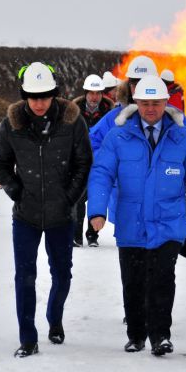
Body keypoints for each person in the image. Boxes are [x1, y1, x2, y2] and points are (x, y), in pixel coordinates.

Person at [87, 75, 186, 356]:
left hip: (169, 222)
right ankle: (136, 335)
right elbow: (101, 174)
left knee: (162, 279)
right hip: (131, 221)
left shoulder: (182, 136)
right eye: (145, 103)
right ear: (136, 102)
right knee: (132, 280)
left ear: (166, 102)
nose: (151, 109)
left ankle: (160, 336)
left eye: (156, 103)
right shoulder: (118, 135)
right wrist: (96, 210)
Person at [0, 62, 92, 358]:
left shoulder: (72, 122)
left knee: (62, 274)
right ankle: (28, 338)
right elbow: (1, 164)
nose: (39, 103)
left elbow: (84, 163)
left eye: (45, 96)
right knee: (24, 276)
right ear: (25, 96)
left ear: (54, 94)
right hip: (26, 215)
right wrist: (17, 192)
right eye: (33, 97)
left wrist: (69, 198)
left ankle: (54, 317)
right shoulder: (12, 124)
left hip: (61, 215)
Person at [71, 74, 113, 247]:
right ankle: (76, 236)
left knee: (97, 196)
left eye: (98, 93)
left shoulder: (109, 113)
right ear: (86, 93)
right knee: (78, 199)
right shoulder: (73, 111)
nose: (94, 97)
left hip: (100, 161)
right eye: (91, 93)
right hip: (78, 161)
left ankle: (92, 235)